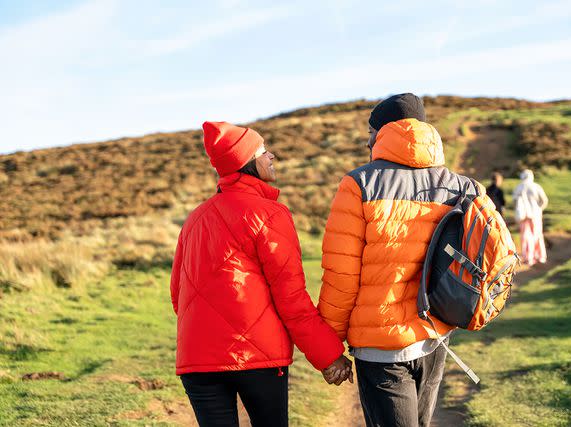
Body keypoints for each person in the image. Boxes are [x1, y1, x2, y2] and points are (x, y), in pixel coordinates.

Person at [170, 121, 352, 427]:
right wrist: (328, 357)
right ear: (247, 163)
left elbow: (178, 296)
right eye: (263, 150)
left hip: (196, 361)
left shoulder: (193, 219)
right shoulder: (269, 215)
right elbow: (291, 300)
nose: (272, 156)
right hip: (258, 359)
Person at [318, 93, 484, 427]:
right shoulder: (464, 187)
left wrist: (329, 344)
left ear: (381, 133)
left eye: (370, 131)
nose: (367, 140)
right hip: (435, 333)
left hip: (379, 345)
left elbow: (342, 275)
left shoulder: (358, 184)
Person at [513, 169, 548, 266]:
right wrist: (539, 209)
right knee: (537, 234)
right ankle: (540, 256)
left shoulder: (519, 187)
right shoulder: (536, 186)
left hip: (523, 215)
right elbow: (544, 200)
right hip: (536, 214)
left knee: (525, 236)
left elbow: (515, 202)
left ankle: (528, 257)